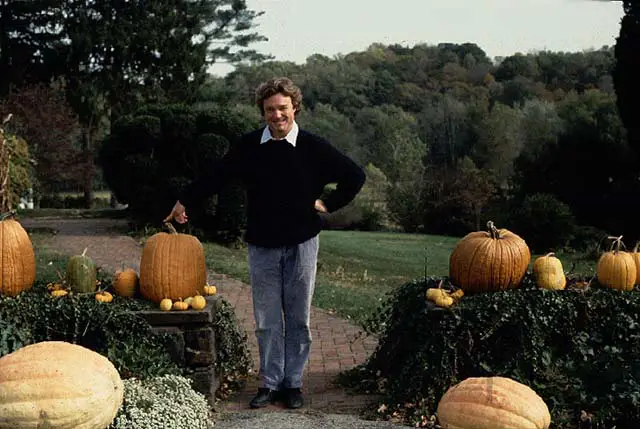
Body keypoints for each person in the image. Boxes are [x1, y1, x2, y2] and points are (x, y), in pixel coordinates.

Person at [164, 77, 366, 409]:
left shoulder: (314, 147)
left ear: (294, 108)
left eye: (283, 108)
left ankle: (294, 384)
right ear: (263, 111)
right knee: (267, 320)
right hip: (262, 245)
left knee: (298, 318)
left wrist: (329, 203)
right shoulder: (248, 148)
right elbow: (216, 176)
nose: (277, 115)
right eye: (270, 109)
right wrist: (185, 200)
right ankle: (270, 383)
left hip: (302, 243)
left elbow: (354, 175)